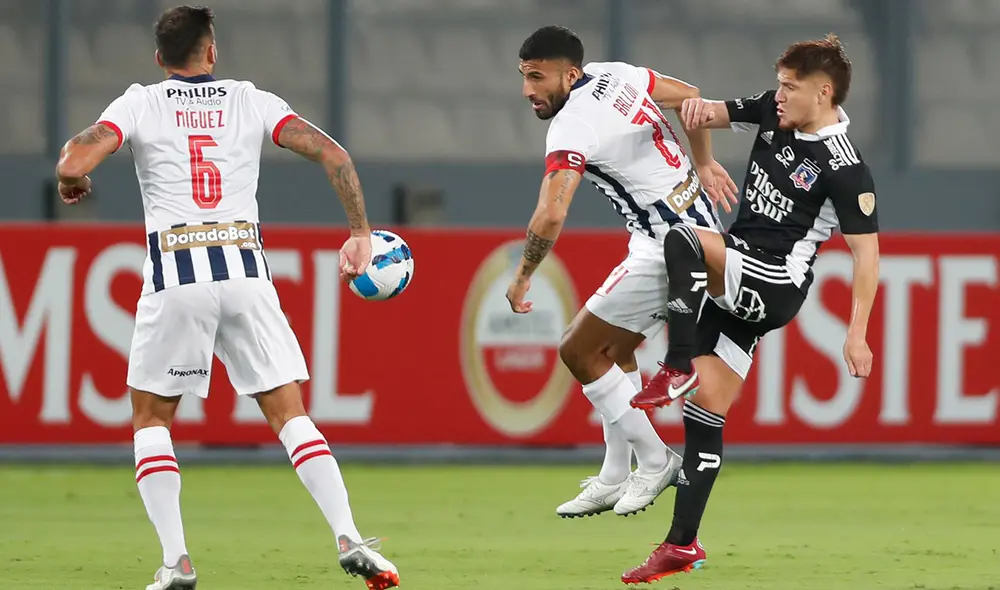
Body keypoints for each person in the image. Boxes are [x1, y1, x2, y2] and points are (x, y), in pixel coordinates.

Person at [54, 6, 399, 590]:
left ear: (160, 58)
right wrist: (361, 233)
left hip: (177, 274)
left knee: (151, 417)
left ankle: (177, 562)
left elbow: (76, 158)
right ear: (211, 52)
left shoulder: (138, 103)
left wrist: (70, 179)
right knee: (290, 413)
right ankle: (348, 536)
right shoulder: (251, 99)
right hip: (245, 272)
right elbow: (335, 155)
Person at [622, 34, 880, 583]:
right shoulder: (771, 110)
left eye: (791, 86)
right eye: (780, 83)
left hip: (775, 279)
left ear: (824, 92)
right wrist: (704, 156)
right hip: (739, 271)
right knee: (706, 414)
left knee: (684, 240)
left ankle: (675, 366)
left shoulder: (845, 166)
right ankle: (681, 545)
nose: (779, 94)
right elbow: (698, 110)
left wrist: (857, 333)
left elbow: (867, 257)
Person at [505, 26, 739, 519]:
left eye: (537, 77)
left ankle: (655, 460)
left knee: (578, 349)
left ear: (569, 74)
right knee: (615, 349)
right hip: (686, 227)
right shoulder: (616, 75)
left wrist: (524, 272)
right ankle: (615, 473)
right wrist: (704, 163)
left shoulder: (571, 126)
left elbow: (551, 214)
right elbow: (693, 99)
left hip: (670, 245)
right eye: (524, 76)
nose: (527, 89)